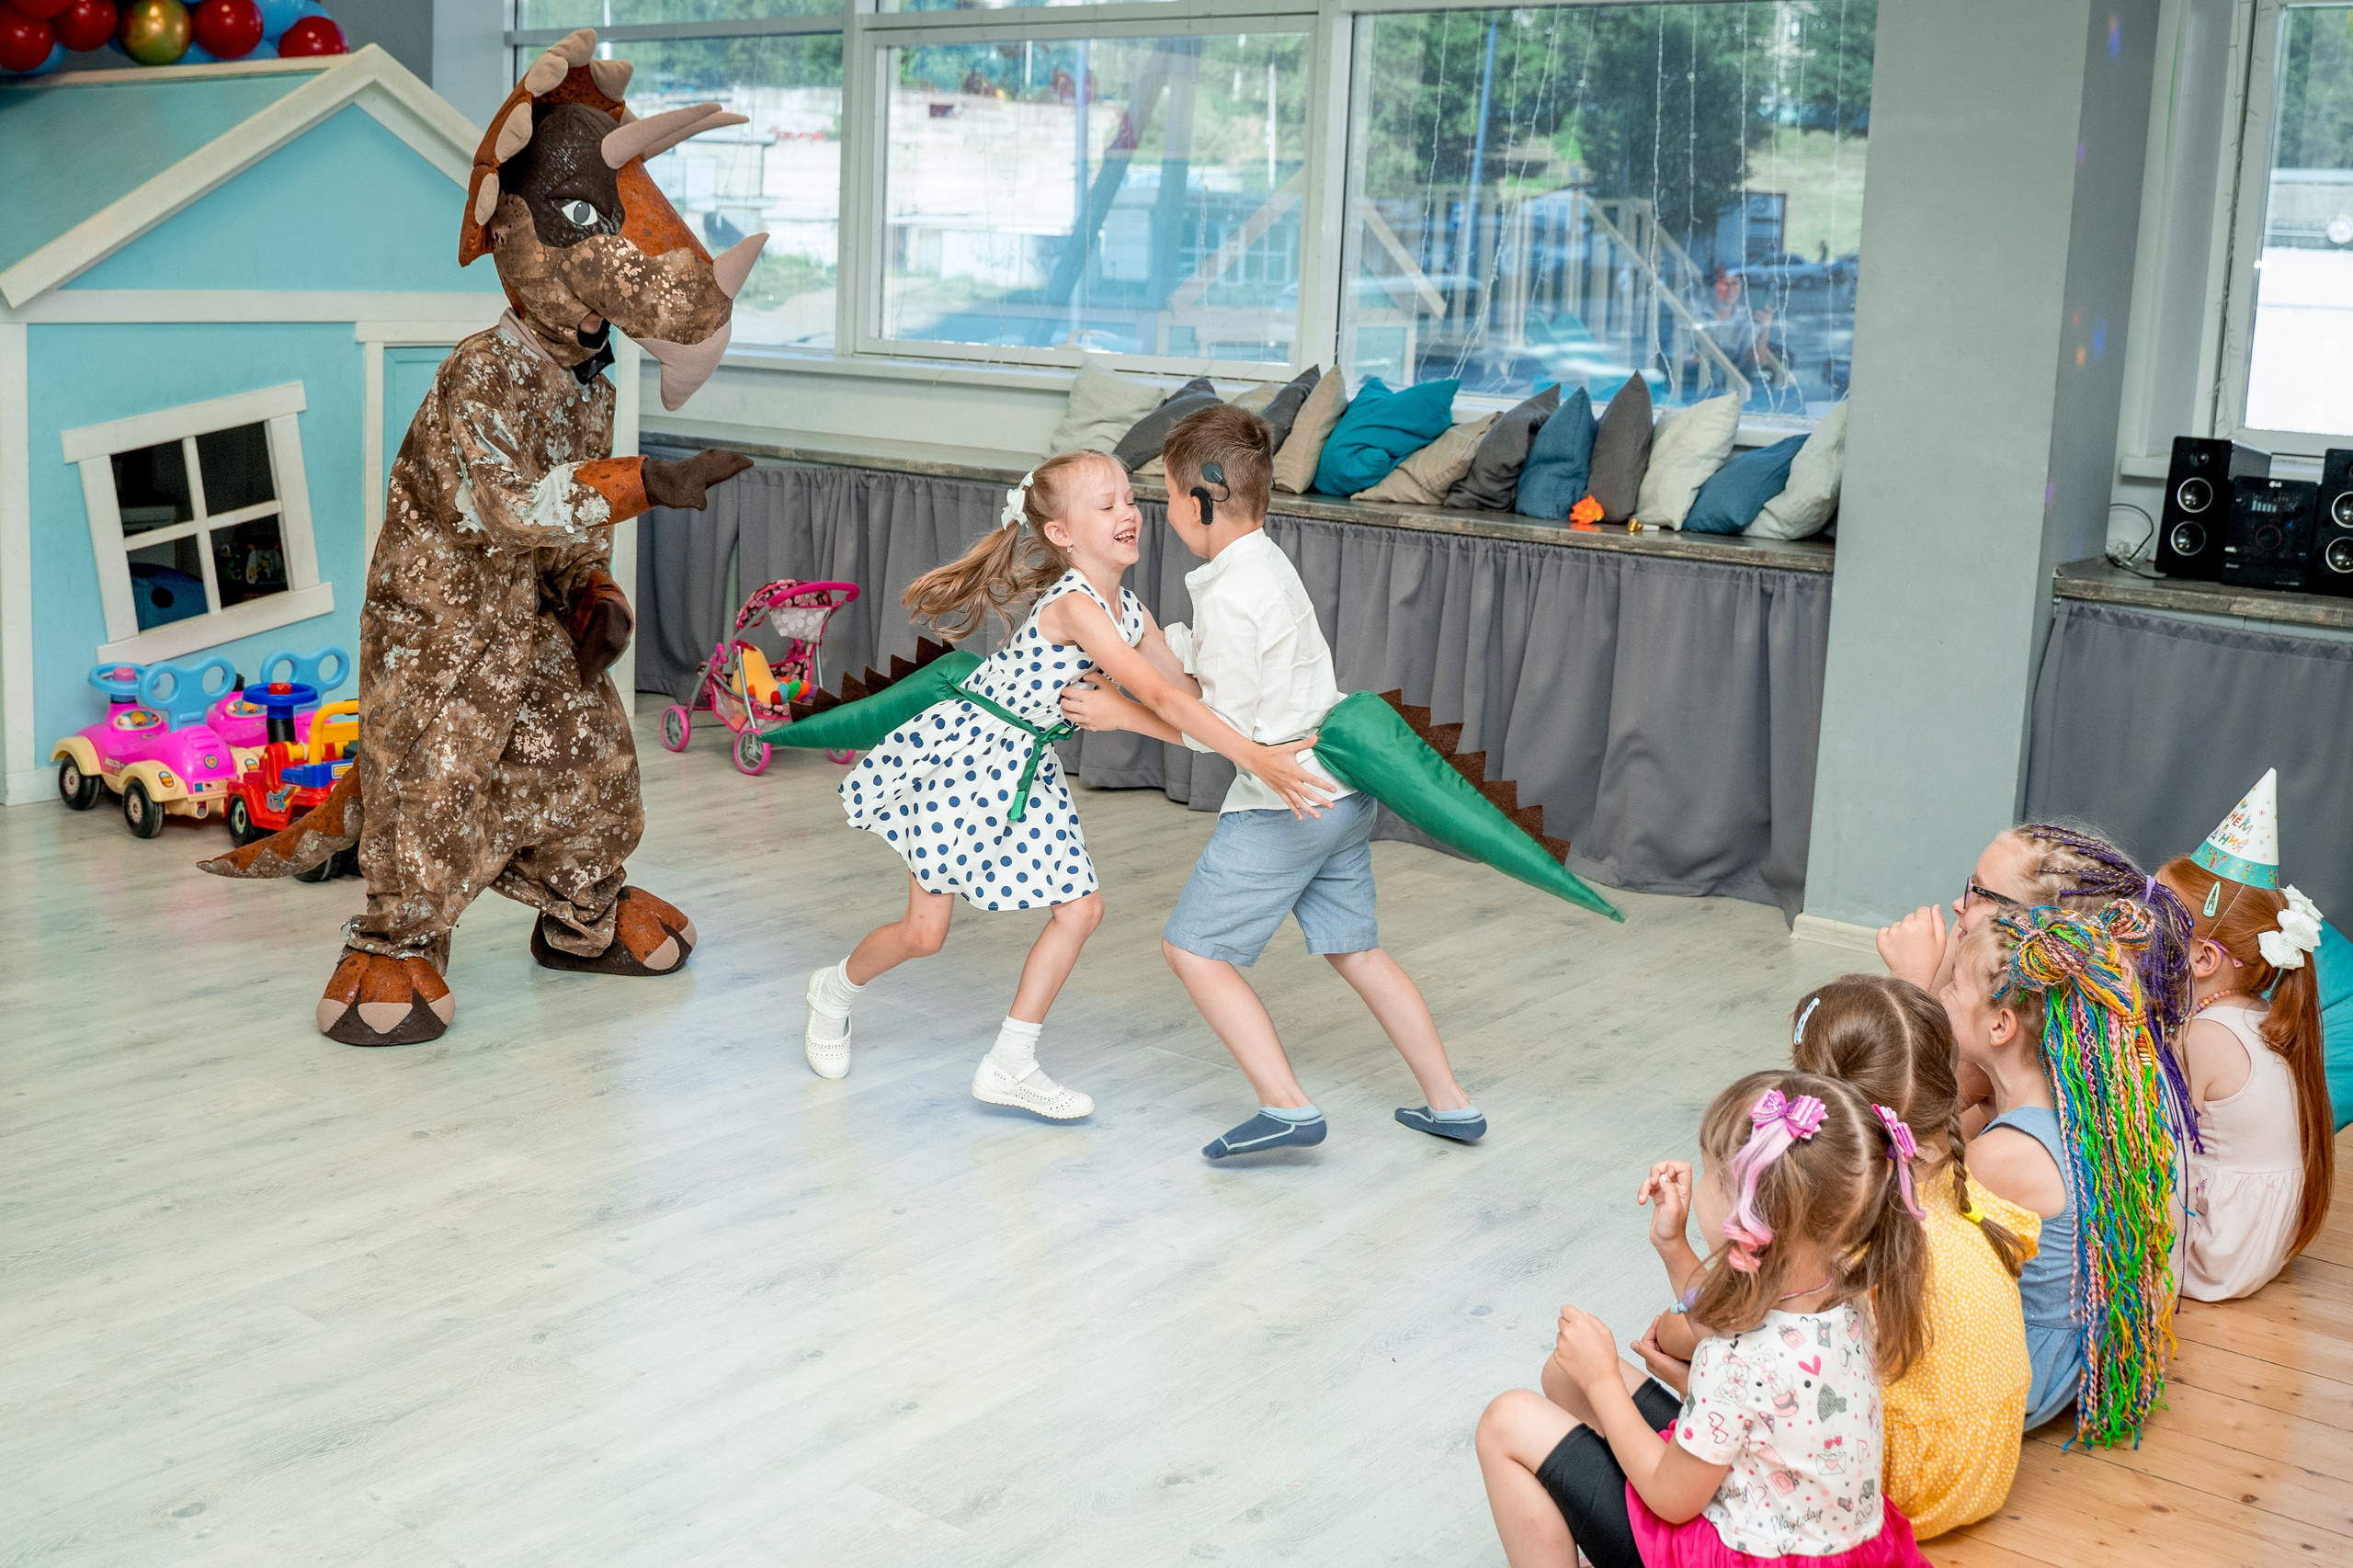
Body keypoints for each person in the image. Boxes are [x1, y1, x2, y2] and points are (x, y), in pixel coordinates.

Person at [799, 449, 1332, 1119]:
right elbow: (1158, 700)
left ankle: (1010, 1063)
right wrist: (1253, 757)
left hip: (1028, 765)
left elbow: (1192, 693)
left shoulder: (1129, 610)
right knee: (924, 933)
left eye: (1130, 501)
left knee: (1081, 910)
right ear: (1062, 534)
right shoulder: (1078, 606)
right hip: (966, 761)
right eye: (1106, 506)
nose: (1128, 515)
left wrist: (1246, 667)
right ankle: (834, 990)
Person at [1058, 405, 1482, 1159]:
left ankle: (1285, 1107)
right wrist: (1155, 642)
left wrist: (1121, 715)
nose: (1149, 512)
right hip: (1341, 795)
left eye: (1160, 495)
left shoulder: (1229, 594)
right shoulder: (1262, 562)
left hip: (1283, 807)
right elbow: (1223, 680)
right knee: (1359, 952)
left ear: (1201, 499)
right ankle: (1451, 1104)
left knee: (1195, 952)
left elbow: (1221, 733)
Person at [1474, 1071, 1932, 1568]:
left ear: (1751, 1214)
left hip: (1728, 1552)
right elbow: (1737, 1321)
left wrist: (1604, 1377)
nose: (1704, 1179)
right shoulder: (1842, 1290)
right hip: (1821, 1542)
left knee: (1505, 1421)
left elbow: (1671, 1497)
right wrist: (1672, 1247)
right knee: (1564, 1375)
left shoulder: (1735, 1363)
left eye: (1715, 1173)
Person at [1779, 976, 2036, 1539]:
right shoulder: (1973, 1204)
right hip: (1983, 1473)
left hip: (1888, 1489)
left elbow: (1718, 1333)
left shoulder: (1839, 1239)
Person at [1938, 901, 2179, 1447]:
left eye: (1953, 988)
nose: (1944, 999)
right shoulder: (2090, 1113)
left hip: (2019, 1369)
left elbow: (1910, 1239)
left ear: (2000, 1024)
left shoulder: (2002, 1155)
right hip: (2075, 1356)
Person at [1877, 821, 2197, 1127]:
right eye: (1969, 885)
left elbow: (1894, 1112)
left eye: (1980, 892)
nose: (1958, 903)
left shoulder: (2016, 1029)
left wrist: (1910, 977)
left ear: (2036, 927)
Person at [2154, 770, 2333, 1300]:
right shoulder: (2257, 1013)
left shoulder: (2204, 1035)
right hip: (2262, 1244)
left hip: (2217, 1253)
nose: (2136, 935)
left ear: (2204, 958)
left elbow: (2160, 1157)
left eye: (2152, 923)